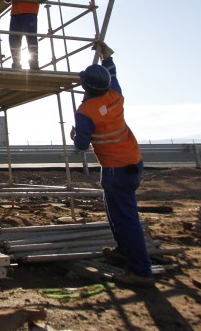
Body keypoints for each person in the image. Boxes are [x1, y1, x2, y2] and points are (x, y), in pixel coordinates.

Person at [71, 41, 155, 287]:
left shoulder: (86, 111)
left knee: (126, 218)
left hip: (115, 168)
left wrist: (76, 134)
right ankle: (123, 250)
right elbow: (113, 75)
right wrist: (107, 57)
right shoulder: (115, 95)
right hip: (133, 162)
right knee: (116, 212)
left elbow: (81, 145)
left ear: (85, 86)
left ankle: (141, 272)